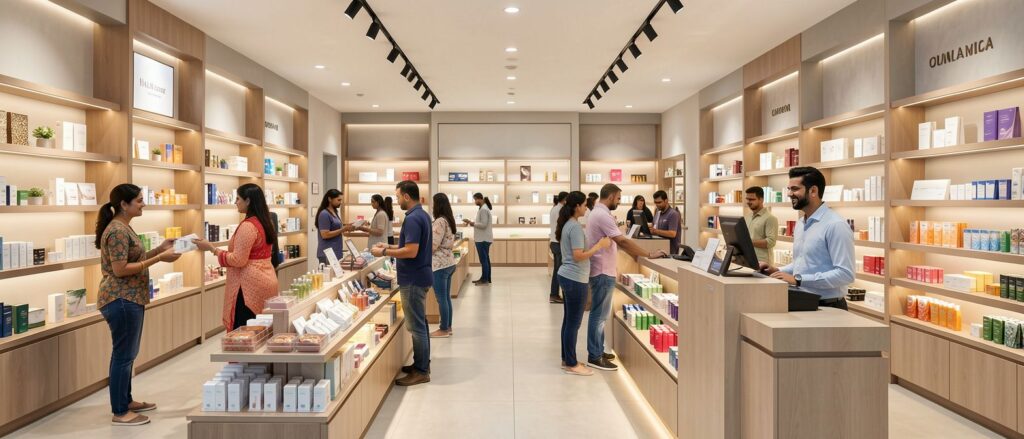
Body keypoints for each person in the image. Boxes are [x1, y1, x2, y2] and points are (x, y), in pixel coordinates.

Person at [94, 183, 180, 426]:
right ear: (124, 204)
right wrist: (159, 258)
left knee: (128, 354)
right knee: (123, 356)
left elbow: (132, 259)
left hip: (130, 297)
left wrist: (159, 249)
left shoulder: (124, 227)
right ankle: (120, 412)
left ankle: (127, 401)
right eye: (140, 200)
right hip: (121, 298)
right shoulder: (118, 231)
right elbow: (120, 269)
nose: (144, 204)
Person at [586, 184, 667, 371]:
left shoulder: (598, 213)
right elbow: (621, 240)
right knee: (599, 316)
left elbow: (618, 241)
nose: (619, 202)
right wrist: (647, 254)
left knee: (600, 315)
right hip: (602, 271)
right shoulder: (602, 215)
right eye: (618, 198)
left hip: (601, 270)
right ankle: (594, 356)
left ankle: (598, 350)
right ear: (611, 197)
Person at [761, 167, 855, 310]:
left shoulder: (835, 225)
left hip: (829, 306)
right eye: (789, 189)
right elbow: (803, 263)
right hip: (804, 301)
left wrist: (799, 280)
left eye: (794, 189)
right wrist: (777, 270)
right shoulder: (801, 223)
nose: (789, 194)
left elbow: (845, 274)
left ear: (813, 191)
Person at [371, 180, 432, 386]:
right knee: (421, 323)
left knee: (416, 327)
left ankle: (421, 371)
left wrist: (384, 252)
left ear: (406, 196)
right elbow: (410, 245)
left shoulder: (413, 218)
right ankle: (421, 364)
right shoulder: (422, 215)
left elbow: (411, 251)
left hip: (413, 279)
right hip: (420, 276)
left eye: (397, 197)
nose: (396, 201)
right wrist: (389, 245)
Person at [195, 183, 279, 330]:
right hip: (267, 279)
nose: (235, 202)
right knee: (261, 330)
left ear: (248, 201)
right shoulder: (265, 222)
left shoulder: (248, 226)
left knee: (245, 334)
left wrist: (212, 249)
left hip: (248, 288)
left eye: (238, 198)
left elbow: (238, 260)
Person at [556, 191, 611, 376]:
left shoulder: (569, 225)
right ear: (577, 206)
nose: (587, 208)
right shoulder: (575, 228)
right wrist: (599, 246)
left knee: (568, 321)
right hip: (575, 279)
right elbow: (578, 256)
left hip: (569, 276)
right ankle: (571, 364)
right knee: (573, 323)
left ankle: (567, 359)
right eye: (585, 205)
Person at [430, 193, 457, 338]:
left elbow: (433, 245)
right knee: (446, 298)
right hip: (449, 262)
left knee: (441, 299)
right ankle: (448, 327)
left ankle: (444, 329)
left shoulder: (440, 221)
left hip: (439, 264)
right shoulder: (449, 220)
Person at [314, 189, 353, 264]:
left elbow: (336, 227)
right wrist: (343, 229)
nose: (340, 202)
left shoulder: (334, 212)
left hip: (336, 252)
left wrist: (348, 226)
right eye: (338, 200)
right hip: (327, 254)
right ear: (329, 199)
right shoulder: (324, 214)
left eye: (341, 200)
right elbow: (325, 235)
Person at [463, 192, 493, 285]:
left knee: (483, 260)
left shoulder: (483, 209)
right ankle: (486, 278)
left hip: (482, 239)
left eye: (475, 200)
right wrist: (472, 223)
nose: (475, 202)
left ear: (480, 199)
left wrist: (471, 223)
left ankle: (484, 279)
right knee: (486, 259)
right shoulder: (483, 208)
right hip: (483, 238)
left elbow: (483, 225)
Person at [744, 186, 778, 265]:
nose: (748, 202)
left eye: (752, 199)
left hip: (763, 264)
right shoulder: (747, 217)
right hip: (749, 260)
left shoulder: (770, 218)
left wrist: (748, 242)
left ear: (761, 200)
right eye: (747, 199)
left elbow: (771, 242)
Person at [548, 191, 569, 304]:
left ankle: (554, 294)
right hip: (558, 243)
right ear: (565, 199)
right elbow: (561, 228)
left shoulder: (554, 208)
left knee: (557, 269)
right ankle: (554, 294)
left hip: (554, 242)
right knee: (559, 270)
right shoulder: (561, 210)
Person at [650, 190, 682, 255]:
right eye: (655, 202)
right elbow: (653, 226)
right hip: (659, 249)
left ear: (666, 200)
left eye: (659, 202)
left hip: (671, 252)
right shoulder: (657, 212)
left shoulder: (673, 214)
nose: (657, 205)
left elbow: (672, 234)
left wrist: (656, 231)